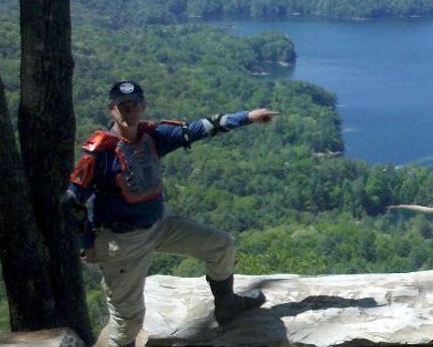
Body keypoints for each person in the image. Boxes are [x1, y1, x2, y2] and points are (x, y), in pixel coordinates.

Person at [61, 80, 279, 347]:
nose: (129, 111)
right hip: (122, 242)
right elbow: (72, 202)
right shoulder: (101, 154)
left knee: (221, 245)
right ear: (111, 109)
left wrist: (248, 117)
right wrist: (87, 244)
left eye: (134, 105)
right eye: (123, 106)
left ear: (143, 106)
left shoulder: (152, 136)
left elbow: (201, 128)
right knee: (127, 321)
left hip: (160, 225)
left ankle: (227, 305)